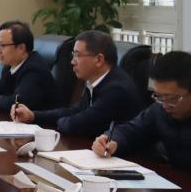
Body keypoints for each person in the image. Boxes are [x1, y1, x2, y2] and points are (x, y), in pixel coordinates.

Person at [12, 30, 141, 137]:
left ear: (99, 59)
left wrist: (60, 122)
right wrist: (33, 115)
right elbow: (76, 110)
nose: (72, 62)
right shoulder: (96, 81)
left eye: (77, 55)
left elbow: (77, 124)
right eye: (73, 55)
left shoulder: (116, 89)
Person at [94, 51, 191, 169]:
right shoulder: (159, 109)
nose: (165, 105)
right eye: (159, 96)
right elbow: (131, 130)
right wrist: (111, 140)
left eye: (171, 98)